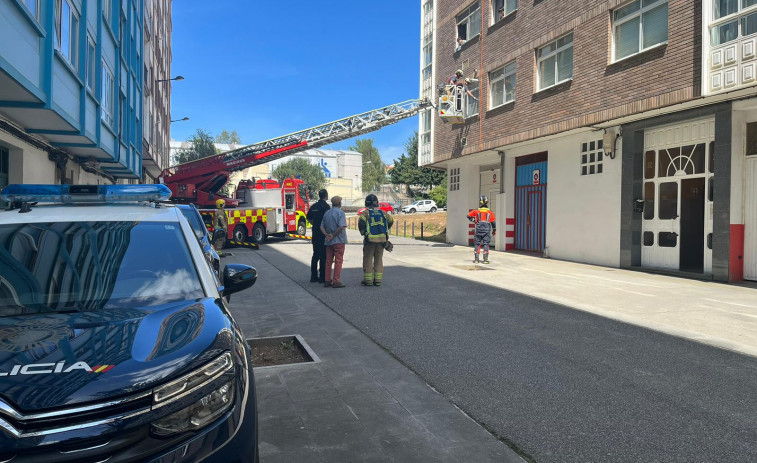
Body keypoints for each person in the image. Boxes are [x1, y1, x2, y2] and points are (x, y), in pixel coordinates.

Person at [358, 194, 393, 287]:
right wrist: (384, 230)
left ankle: (368, 281)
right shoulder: (383, 213)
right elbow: (391, 221)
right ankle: (377, 280)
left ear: (366, 203)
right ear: (377, 203)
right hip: (382, 240)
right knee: (378, 260)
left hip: (370, 240)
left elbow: (361, 223)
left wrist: (364, 233)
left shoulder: (366, 213)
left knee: (368, 259)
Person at [320, 196, 347, 288]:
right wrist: (333, 235)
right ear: (339, 203)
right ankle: (336, 281)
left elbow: (321, 226)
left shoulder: (327, 213)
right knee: (338, 261)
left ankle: (327, 280)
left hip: (328, 242)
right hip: (338, 240)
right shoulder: (340, 213)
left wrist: (326, 235)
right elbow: (341, 227)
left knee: (328, 261)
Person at [306, 189, 330, 283]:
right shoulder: (326, 207)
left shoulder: (314, 206)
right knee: (323, 255)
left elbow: (308, 217)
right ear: (326, 196)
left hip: (315, 232)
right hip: (323, 233)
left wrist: (315, 224)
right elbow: (328, 220)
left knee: (315, 254)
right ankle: (322, 277)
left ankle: (313, 276)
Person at [467, 195, 496, 264]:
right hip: (486, 230)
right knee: (486, 244)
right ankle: (485, 260)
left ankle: (476, 260)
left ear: (480, 202)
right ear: (487, 202)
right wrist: (494, 230)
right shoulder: (490, 212)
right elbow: (493, 222)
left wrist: (474, 220)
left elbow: (468, 215)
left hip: (478, 229)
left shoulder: (476, 211)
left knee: (477, 243)